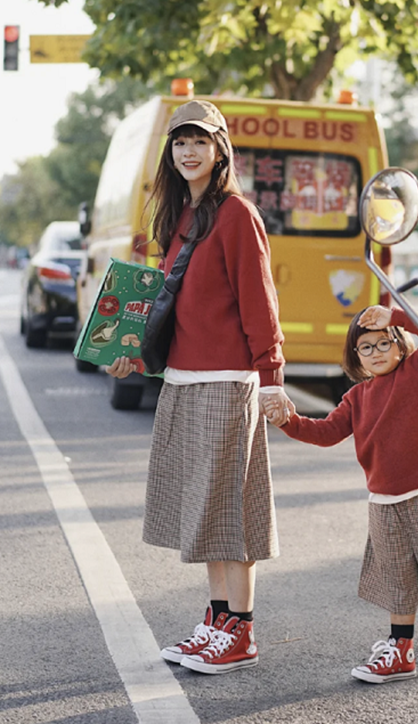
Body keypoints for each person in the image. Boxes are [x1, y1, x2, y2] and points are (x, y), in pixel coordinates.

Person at [107, 99, 291, 675]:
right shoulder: (181, 217)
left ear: (220, 150)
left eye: (200, 142)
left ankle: (241, 631)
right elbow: (169, 307)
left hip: (225, 381)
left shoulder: (237, 214)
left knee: (229, 513)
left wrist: (271, 379)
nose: (188, 151)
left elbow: (260, 304)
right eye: (180, 142)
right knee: (206, 510)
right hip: (184, 380)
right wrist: (130, 356)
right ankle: (217, 620)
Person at [264, 304, 418, 684]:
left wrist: (396, 316)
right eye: (366, 348)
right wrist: (287, 420)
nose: (377, 352)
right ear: (356, 358)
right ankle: (401, 651)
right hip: (383, 503)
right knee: (397, 580)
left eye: (385, 343)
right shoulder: (357, 398)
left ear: (400, 346)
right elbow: (324, 433)